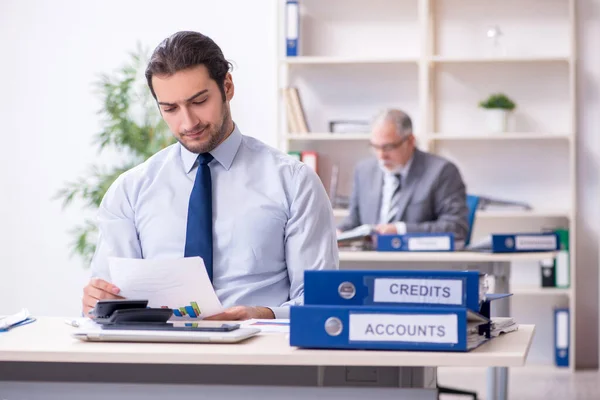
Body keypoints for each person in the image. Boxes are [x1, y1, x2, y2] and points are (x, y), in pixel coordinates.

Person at [82, 31, 339, 320]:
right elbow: (108, 301)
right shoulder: (130, 190)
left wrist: (263, 315)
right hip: (159, 354)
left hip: (260, 352)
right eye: (170, 109)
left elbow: (321, 302)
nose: (188, 122)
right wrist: (99, 301)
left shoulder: (294, 182)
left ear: (227, 86)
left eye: (199, 101)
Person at [338, 109, 469, 242]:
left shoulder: (442, 171)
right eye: (375, 147)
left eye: (388, 147)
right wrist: (339, 232)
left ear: (410, 141)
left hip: (416, 260)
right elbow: (354, 221)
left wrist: (400, 230)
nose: (381, 156)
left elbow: (456, 228)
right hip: (370, 258)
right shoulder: (364, 171)